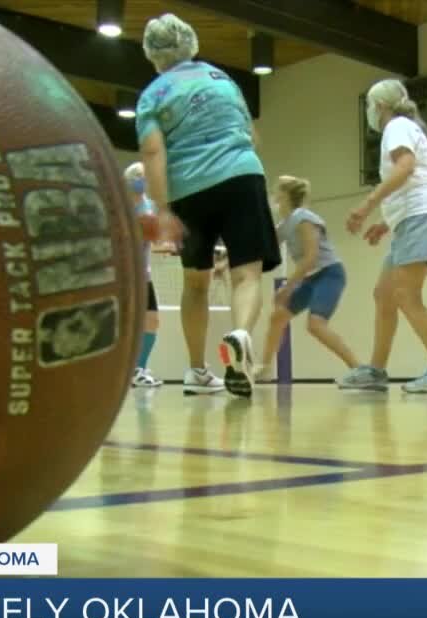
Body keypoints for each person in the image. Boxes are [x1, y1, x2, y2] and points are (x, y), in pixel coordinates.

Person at [135, 13, 281, 398]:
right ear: (192, 43)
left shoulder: (152, 95)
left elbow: (152, 151)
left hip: (189, 190)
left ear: (153, 55)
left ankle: (197, 369)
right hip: (242, 176)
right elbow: (252, 133)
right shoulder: (224, 80)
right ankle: (241, 335)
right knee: (246, 274)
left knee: (195, 283)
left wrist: (163, 209)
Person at [339, 79, 427, 393]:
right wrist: (385, 221)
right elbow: (411, 179)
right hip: (409, 218)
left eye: (370, 105)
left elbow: (405, 167)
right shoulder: (405, 127)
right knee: (384, 293)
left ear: (379, 106)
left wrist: (367, 205)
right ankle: (376, 371)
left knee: (407, 295)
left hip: (421, 215)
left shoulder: (396, 126)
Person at [257, 176, 359, 381]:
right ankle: (264, 369)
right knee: (277, 317)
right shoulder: (284, 224)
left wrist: (287, 288)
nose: (274, 195)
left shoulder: (303, 217)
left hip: (330, 273)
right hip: (311, 279)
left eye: (277, 191)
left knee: (315, 324)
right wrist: (226, 265)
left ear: (284, 195)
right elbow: (263, 253)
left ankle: (358, 369)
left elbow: (311, 258)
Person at [123, 162, 170, 389]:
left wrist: (167, 245)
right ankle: (126, 370)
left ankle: (138, 369)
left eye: (144, 175)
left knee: (152, 321)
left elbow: (156, 239)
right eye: (137, 176)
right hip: (125, 273)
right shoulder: (121, 207)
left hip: (145, 275)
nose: (141, 179)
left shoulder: (151, 206)